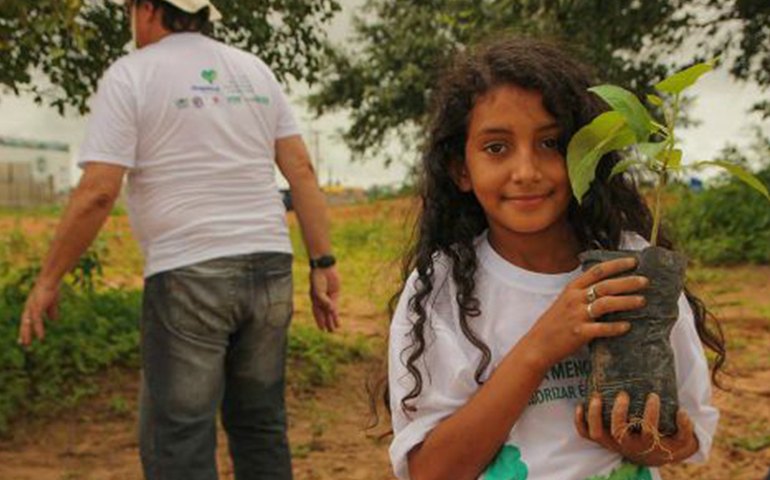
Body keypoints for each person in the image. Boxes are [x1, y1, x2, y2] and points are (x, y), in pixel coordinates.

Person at [17, 1, 340, 479]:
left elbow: (98, 192)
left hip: (189, 272)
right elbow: (302, 171)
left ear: (147, 9)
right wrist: (322, 262)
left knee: (180, 439)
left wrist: (48, 280)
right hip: (269, 268)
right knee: (261, 426)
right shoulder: (254, 71)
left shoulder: (131, 75)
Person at [387, 38, 724, 480]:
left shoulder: (635, 268)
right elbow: (430, 471)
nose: (526, 171)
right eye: (496, 148)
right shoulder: (442, 288)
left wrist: (646, 443)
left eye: (551, 143)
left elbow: (689, 436)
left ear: (588, 153)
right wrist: (539, 348)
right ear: (460, 170)